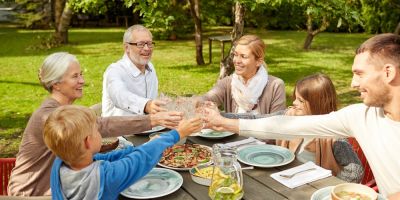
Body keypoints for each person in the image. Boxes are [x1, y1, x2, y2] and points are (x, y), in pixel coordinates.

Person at [204, 33, 400, 199]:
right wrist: (224, 122)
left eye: (360, 74)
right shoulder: (360, 116)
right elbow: (286, 125)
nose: (353, 84)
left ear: (388, 73)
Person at [8, 52, 182, 196]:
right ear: (56, 84)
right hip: (33, 192)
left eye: (81, 74)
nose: (82, 80)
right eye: (75, 76)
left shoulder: (62, 110)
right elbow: (101, 125)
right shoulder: (50, 117)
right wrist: (153, 120)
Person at [222, 73, 364, 183]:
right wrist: (222, 117)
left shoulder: (334, 137)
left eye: (301, 100)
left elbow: (355, 171)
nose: (294, 103)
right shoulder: (290, 115)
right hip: (284, 179)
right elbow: (257, 119)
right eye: (295, 97)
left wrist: (328, 189)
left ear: (317, 104)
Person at [44, 105, 202, 200]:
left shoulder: (60, 164)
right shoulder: (106, 177)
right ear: (88, 142)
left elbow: (105, 158)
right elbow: (139, 160)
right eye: (97, 131)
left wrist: (145, 146)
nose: (100, 134)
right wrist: (177, 134)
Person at [202, 34, 286, 115]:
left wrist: (226, 122)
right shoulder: (227, 83)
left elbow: (276, 123)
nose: (237, 61)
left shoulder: (275, 86)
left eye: (243, 56)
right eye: (235, 55)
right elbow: (205, 98)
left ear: (258, 61)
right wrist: (195, 102)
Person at [102, 24, 165, 116]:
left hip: (149, 127)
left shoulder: (150, 67)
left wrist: (168, 104)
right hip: (121, 129)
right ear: (127, 47)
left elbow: (152, 102)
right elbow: (120, 96)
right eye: (140, 44)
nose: (147, 48)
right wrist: (146, 105)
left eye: (150, 44)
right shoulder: (115, 71)